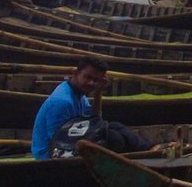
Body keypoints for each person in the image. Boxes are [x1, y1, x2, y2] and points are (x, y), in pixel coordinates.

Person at [31, 58, 162, 159]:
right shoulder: (62, 102)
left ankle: (150, 148)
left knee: (114, 126)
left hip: (71, 138)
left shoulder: (79, 94)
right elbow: (57, 142)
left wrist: (98, 92)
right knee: (113, 138)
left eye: (95, 80)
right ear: (76, 73)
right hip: (51, 153)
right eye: (87, 77)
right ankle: (146, 152)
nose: (91, 83)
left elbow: (95, 119)